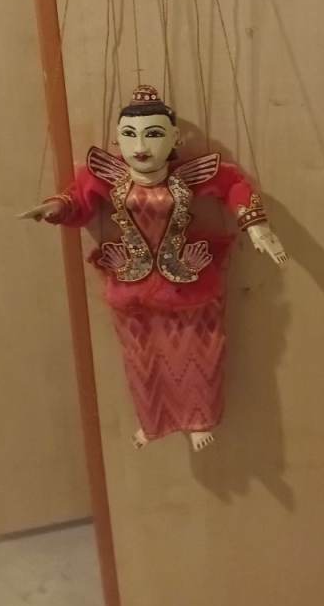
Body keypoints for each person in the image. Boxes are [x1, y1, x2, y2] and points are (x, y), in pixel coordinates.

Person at [20, 85, 287, 451]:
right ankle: (152, 421)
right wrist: (55, 208)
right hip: (131, 278)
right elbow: (78, 198)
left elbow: (233, 185)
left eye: (154, 134)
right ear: (118, 140)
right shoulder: (109, 177)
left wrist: (255, 225)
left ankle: (199, 417)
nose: (140, 145)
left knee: (199, 351)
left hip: (187, 278)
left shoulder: (188, 176)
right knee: (141, 356)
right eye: (129, 135)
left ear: (174, 138)